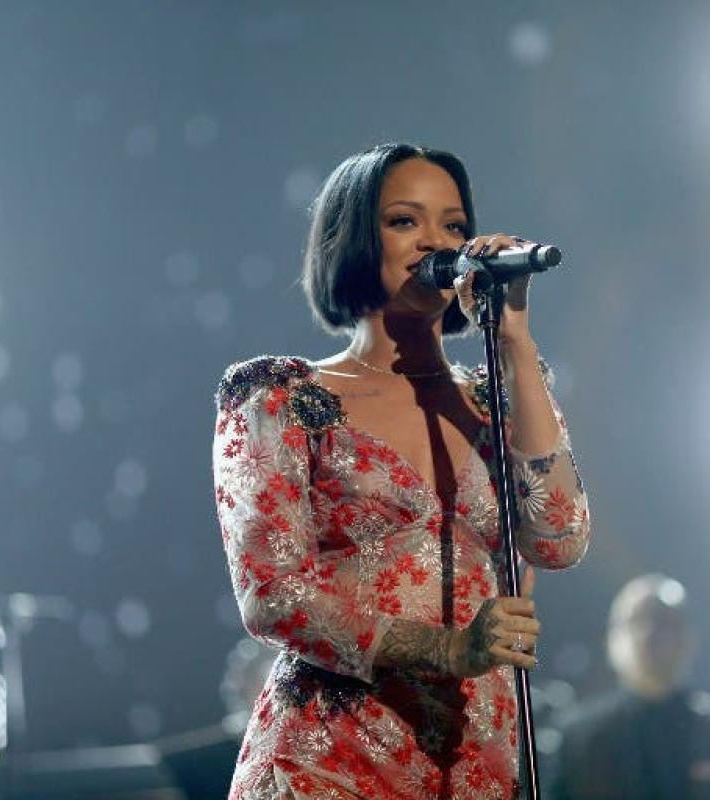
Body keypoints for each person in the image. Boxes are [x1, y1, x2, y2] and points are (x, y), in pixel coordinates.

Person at [212, 143, 592, 799]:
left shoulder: (495, 400)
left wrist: (514, 342)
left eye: (453, 225)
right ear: (354, 239)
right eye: (404, 220)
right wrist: (447, 649)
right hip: (331, 760)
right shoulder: (282, 400)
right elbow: (271, 593)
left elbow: (560, 540)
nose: (436, 241)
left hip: (473, 759)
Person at [546, 574, 710, 800]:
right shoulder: (579, 738)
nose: (648, 633)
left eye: (662, 620)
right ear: (610, 641)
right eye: (635, 621)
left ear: (689, 637)